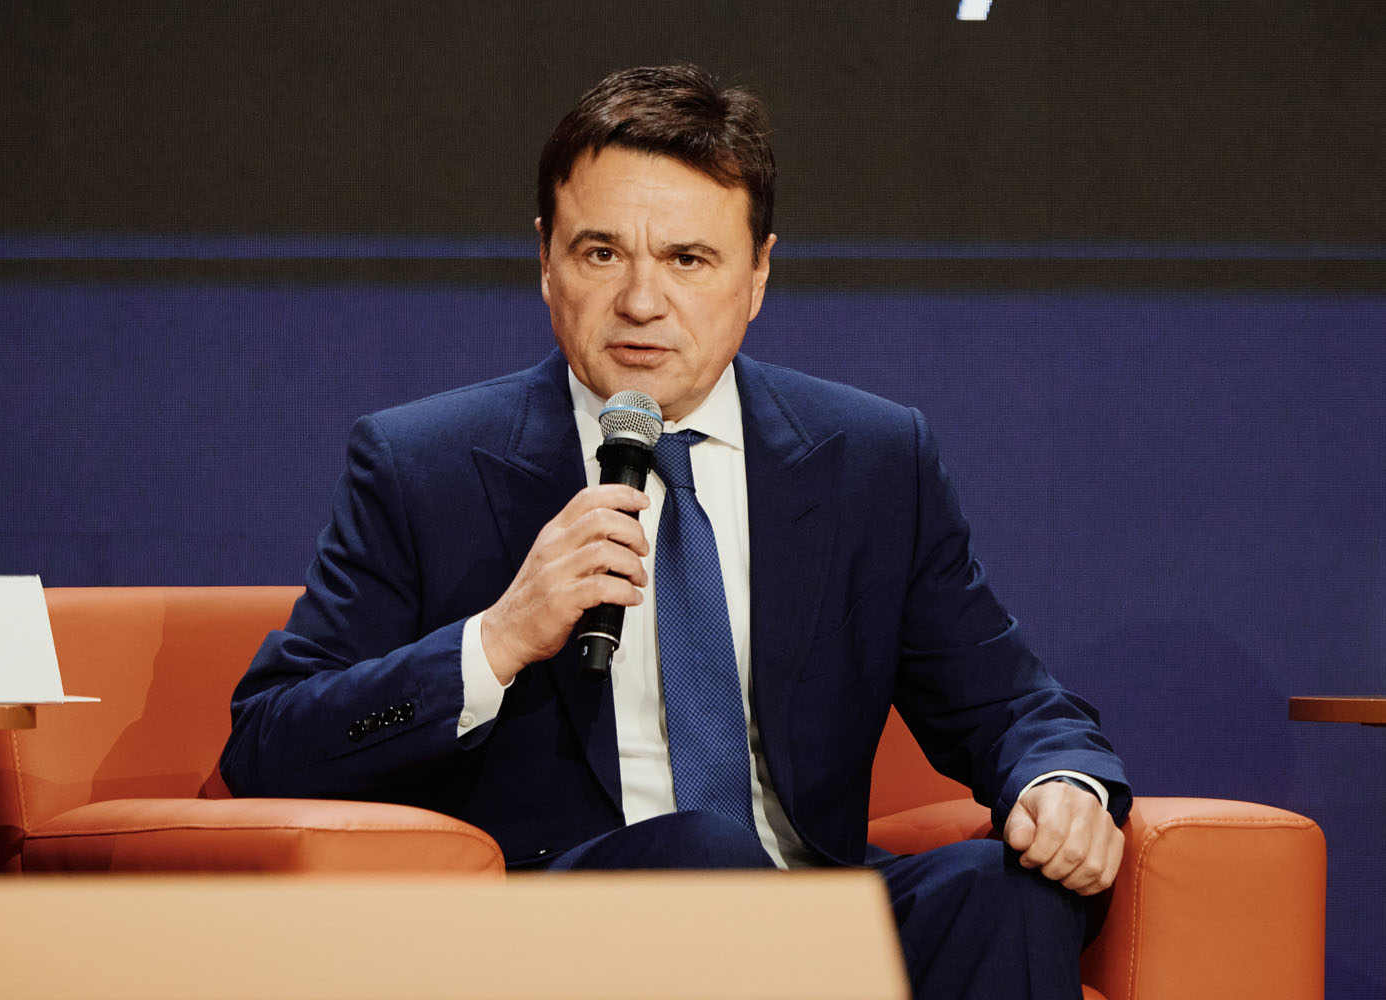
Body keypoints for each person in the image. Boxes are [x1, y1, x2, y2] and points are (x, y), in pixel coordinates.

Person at [221, 64, 1130, 999]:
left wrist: (1060, 785)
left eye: (688, 260)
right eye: (601, 254)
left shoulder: (870, 458)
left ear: (758, 273)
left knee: (1004, 893)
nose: (642, 302)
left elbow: (1008, 704)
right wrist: (496, 640)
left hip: (809, 905)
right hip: (562, 926)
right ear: (546, 262)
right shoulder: (424, 465)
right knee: (702, 851)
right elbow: (267, 748)